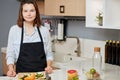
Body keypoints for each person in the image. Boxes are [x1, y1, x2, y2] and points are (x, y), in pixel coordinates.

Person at [6, 0, 53, 77]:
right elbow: (10, 53)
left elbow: (49, 54)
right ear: (21, 13)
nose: (29, 14)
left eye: (32, 10)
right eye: (25, 11)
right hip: (22, 76)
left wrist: (49, 66)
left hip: (41, 76)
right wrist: (11, 69)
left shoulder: (44, 31)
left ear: (36, 12)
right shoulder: (14, 30)